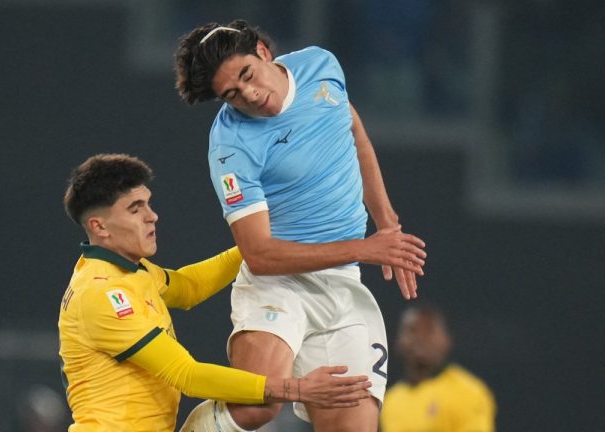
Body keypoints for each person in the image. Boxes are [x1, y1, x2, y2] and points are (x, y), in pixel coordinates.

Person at [173, 19, 428, 432]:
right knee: (256, 407)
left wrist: (387, 222)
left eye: (247, 75)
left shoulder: (320, 65)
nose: (249, 95)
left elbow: (351, 127)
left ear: (262, 51)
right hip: (278, 284)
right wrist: (365, 248)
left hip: (342, 285)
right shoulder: (230, 145)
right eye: (232, 94)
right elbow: (259, 254)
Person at [57, 153, 373, 432]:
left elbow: (188, 287)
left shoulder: (129, 271)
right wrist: (297, 390)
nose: (152, 216)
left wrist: (256, 246)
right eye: (135, 209)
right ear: (99, 227)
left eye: (148, 204)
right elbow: (187, 375)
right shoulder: (103, 293)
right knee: (256, 405)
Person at [380, 304, 496, 432]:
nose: (420, 338)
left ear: (446, 340)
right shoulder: (390, 401)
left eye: (429, 330)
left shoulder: (468, 393)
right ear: (399, 342)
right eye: (412, 330)